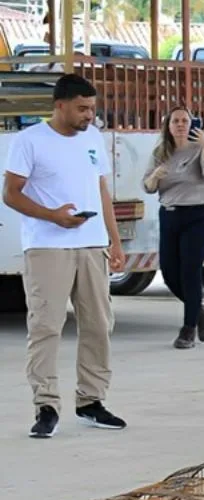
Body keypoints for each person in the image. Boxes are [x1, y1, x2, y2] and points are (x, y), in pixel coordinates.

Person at [2, 73, 127, 438]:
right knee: (45, 327)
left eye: (92, 108)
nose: (90, 115)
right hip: (47, 247)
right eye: (82, 108)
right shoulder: (30, 141)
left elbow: (101, 190)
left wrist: (114, 243)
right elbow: (11, 193)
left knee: (99, 326)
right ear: (60, 106)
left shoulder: (92, 139)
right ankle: (46, 405)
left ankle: (91, 401)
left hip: (92, 246)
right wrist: (53, 215)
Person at [142, 105, 204, 349]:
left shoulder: (199, 149)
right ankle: (200, 310)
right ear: (168, 125)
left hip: (198, 214)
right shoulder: (160, 152)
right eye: (175, 121)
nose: (180, 125)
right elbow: (147, 186)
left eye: (185, 121)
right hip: (170, 214)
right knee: (169, 272)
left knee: (190, 270)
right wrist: (156, 175)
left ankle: (188, 329)